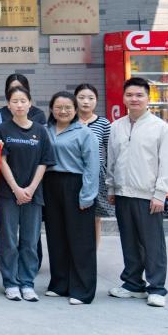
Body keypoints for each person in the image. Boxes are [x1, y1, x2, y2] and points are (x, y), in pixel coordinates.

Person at [106, 77, 168, 308]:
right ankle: (133, 284)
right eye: (129, 95)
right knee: (129, 241)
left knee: (152, 244)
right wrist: (111, 187)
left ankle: (156, 288)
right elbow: (112, 160)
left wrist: (160, 194)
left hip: (148, 195)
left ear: (148, 98)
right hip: (123, 193)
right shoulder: (117, 126)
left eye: (139, 95)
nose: (134, 99)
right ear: (123, 98)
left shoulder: (160, 128)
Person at [0, 85, 54, 303]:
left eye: (23, 101)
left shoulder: (41, 131)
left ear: (30, 104)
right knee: (9, 240)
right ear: (8, 105)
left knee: (30, 241)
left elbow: (44, 162)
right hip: (8, 194)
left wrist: (30, 189)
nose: (19, 105)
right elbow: (1, 160)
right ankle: (11, 283)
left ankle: (27, 283)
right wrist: (16, 189)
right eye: (14, 101)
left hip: (33, 195)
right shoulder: (1, 130)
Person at [44, 91, 99, 305]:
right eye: (58, 107)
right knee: (56, 237)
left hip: (76, 185)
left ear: (75, 110)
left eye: (68, 107)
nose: (63, 111)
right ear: (51, 109)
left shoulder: (84, 133)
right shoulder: (46, 130)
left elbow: (92, 166)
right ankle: (60, 284)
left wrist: (87, 195)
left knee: (80, 240)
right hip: (51, 185)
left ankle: (82, 290)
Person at [74, 83, 113, 242]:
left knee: (95, 217)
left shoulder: (104, 123)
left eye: (90, 98)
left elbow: (110, 152)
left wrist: (110, 179)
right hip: (74, 173)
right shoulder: (68, 121)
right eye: (81, 97)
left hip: (97, 175)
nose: (86, 101)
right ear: (75, 99)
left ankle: (93, 253)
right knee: (75, 216)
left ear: (96, 100)